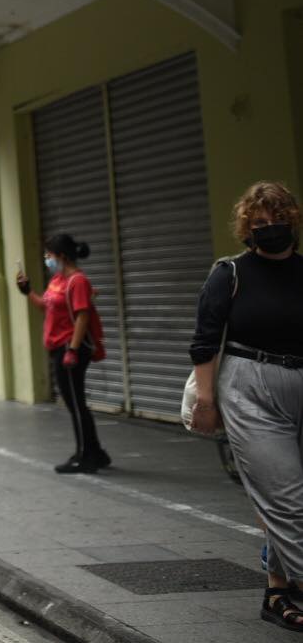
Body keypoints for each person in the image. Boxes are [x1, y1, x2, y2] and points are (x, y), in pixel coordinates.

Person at [189, 180, 303, 632]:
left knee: (286, 498)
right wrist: (205, 399)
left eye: (278, 220)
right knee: (287, 497)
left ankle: (278, 591)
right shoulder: (230, 273)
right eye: (259, 223)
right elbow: (204, 340)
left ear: (292, 221)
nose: (270, 228)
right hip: (250, 385)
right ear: (246, 229)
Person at [16, 234, 109, 474]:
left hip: (70, 349)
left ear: (62, 256)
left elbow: (82, 316)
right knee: (74, 403)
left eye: (49, 255)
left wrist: (73, 350)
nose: (47, 259)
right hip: (59, 348)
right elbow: (46, 308)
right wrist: (28, 292)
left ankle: (85, 456)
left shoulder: (78, 281)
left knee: (76, 404)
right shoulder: (58, 280)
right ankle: (95, 452)